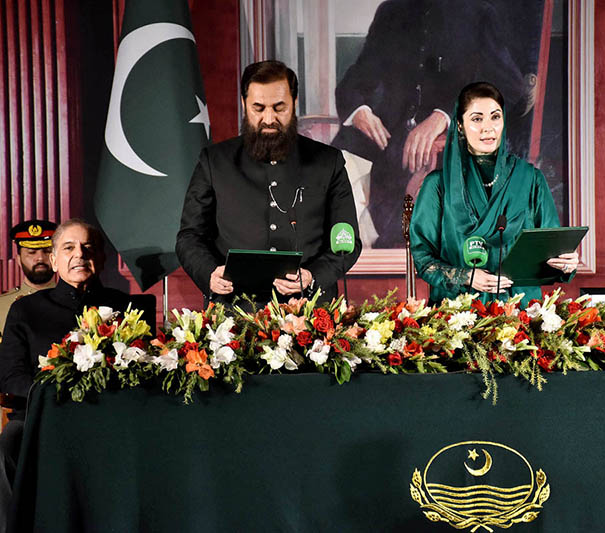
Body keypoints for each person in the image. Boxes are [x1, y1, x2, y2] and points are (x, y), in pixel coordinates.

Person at [332, 0, 534, 247]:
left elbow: (508, 86)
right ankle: (355, 259)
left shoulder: (478, 13)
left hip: (446, 142)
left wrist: (445, 116)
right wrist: (359, 110)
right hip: (389, 138)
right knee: (339, 164)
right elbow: (357, 77)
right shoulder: (391, 12)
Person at [0, 219, 152, 529]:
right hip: (43, 420)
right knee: (9, 440)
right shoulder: (26, 310)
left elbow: (145, 369)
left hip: (112, 419)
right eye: (68, 248)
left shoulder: (127, 308)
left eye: (88, 248)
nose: (79, 255)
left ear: (102, 258)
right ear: (54, 259)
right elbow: (11, 378)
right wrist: (61, 395)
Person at [176, 60, 361, 304]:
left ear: (294, 104)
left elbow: (347, 242)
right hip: (233, 313)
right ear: (244, 104)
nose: (269, 118)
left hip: (311, 314)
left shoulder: (329, 162)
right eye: (258, 108)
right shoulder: (215, 161)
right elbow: (189, 237)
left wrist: (313, 276)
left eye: (279, 107)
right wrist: (209, 273)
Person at [409, 82, 578, 304]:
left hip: (521, 316)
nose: (488, 128)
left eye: (495, 117)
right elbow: (423, 260)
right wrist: (466, 276)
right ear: (460, 125)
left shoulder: (530, 180)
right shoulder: (438, 185)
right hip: (455, 320)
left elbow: (550, 248)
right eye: (477, 119)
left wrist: (566, 262)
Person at [0, 220, 57, 339]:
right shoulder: (2, 305)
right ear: (19, 260)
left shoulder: (73, 300)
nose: (40, 258)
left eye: (47, 251)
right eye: (32, 252)